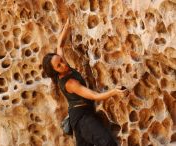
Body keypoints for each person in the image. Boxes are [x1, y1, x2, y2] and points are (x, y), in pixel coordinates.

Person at [42, 18, 125, 146]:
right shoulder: (70, 83)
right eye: (59, 65)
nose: (63, 64)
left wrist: (68, 24)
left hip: (79, 118)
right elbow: (94, 96)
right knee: (107, 142)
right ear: (56, 72)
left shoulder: (64, 67)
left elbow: (60, 45)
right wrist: (114, 91)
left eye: (61, 60)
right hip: (83, 119)